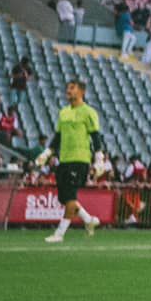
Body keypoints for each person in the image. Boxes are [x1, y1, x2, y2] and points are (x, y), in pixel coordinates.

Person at [41, 79, 104, 243]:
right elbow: (58, 136)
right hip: (64, 159)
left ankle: (59, 234)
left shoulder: (89, 112)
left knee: (70, 197)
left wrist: (99, 159)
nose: (68, 90)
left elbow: (95, 137)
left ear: (82, 92)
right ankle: (89, 220)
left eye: (72, 88)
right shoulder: (63, 112)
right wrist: (47, 152)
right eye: (67, 88)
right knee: (66, 199)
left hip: (80, 159)